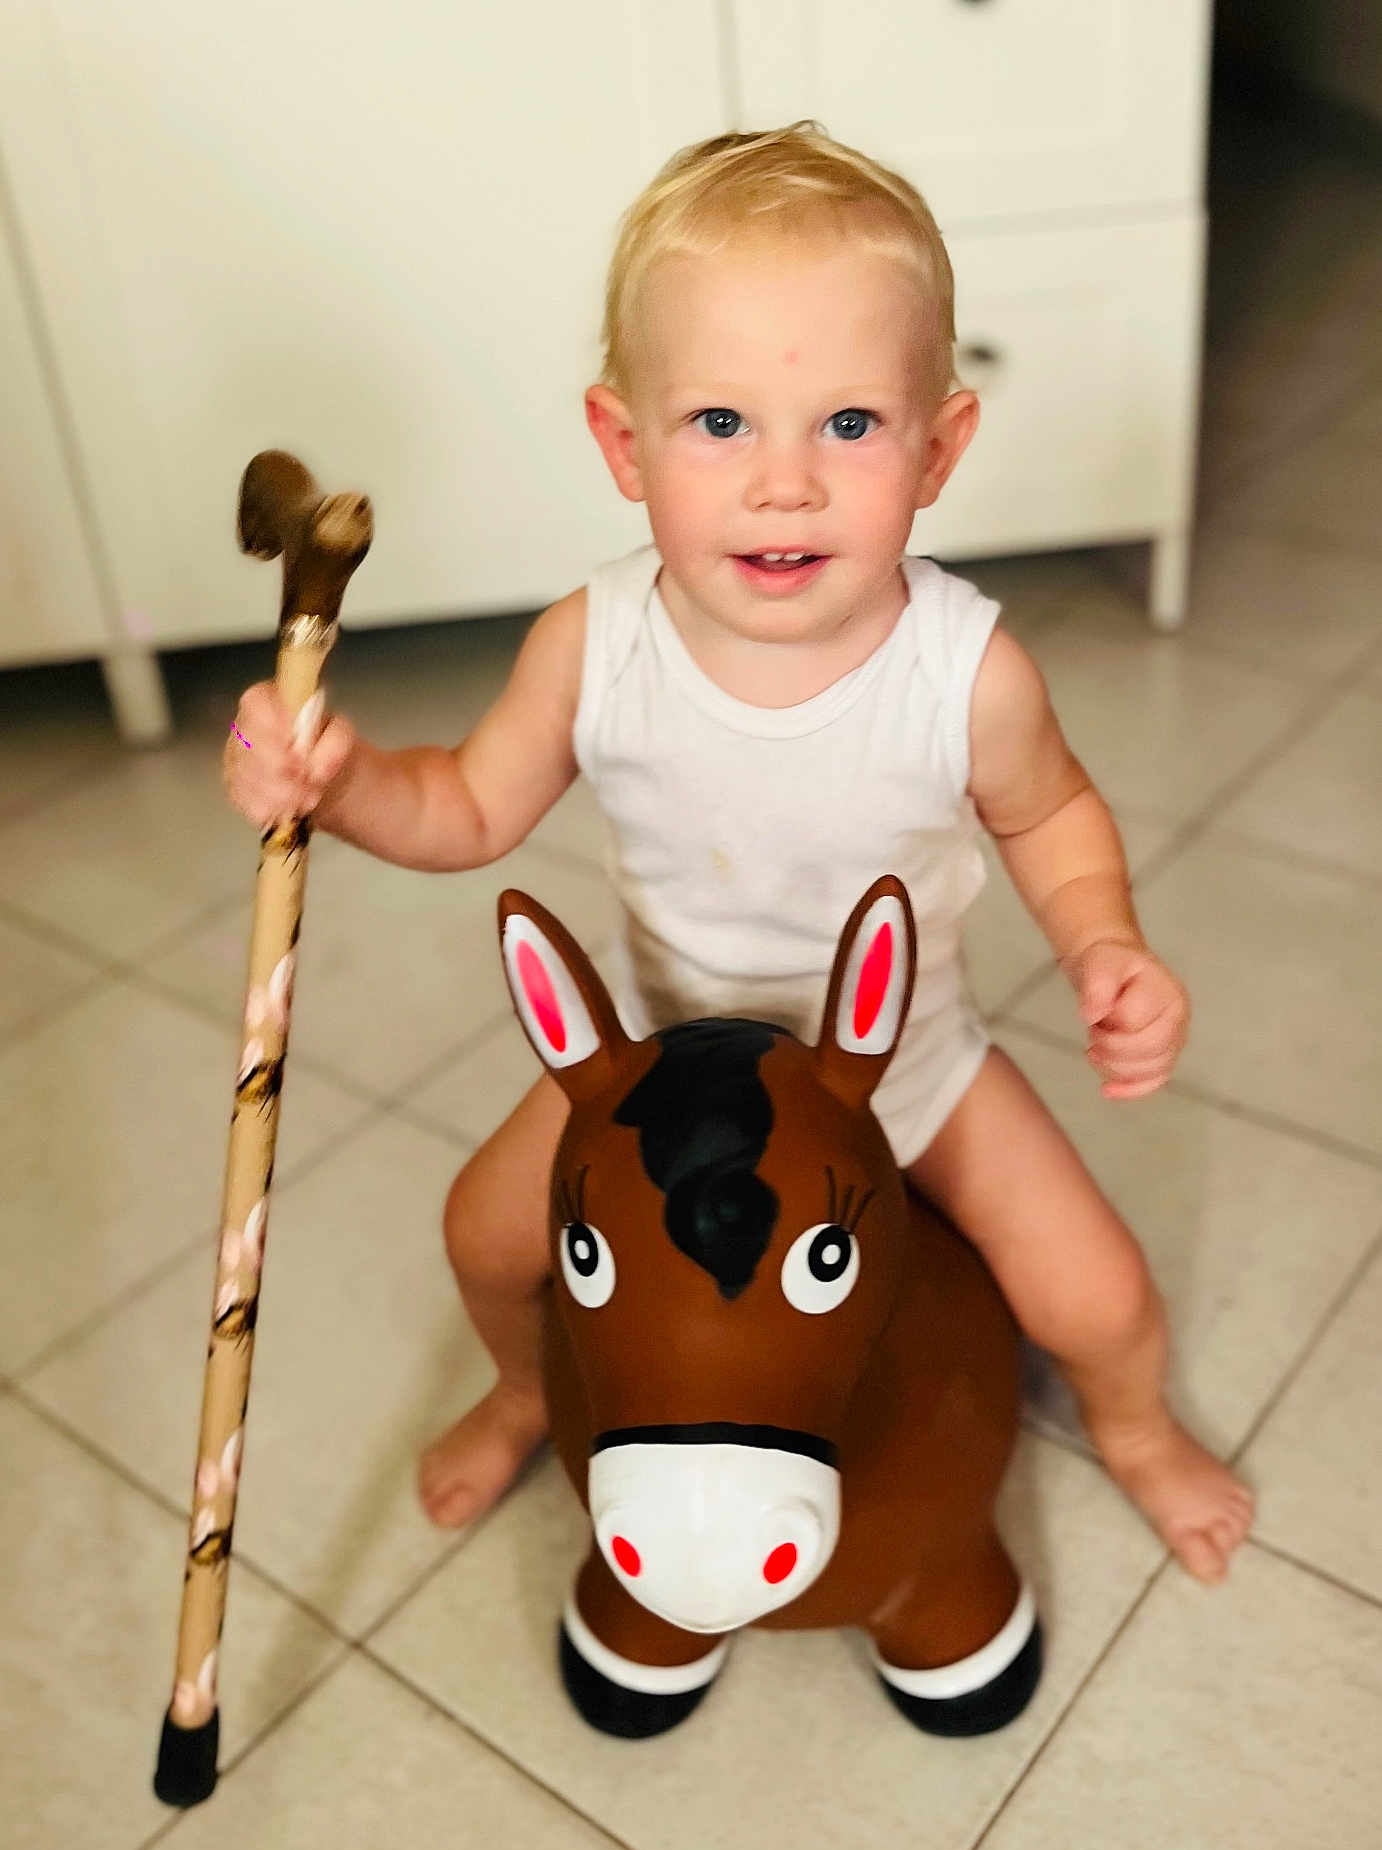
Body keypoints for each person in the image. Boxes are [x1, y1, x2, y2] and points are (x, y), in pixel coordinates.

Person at [223, 122, 1254, 1583]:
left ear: (940, 446)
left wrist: (1103, 942)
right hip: (650, 1066)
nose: (784, 484)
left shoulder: (964, 671)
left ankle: (1139, 1431)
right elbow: (461, 808)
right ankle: (530, 1389)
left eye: (847, 425)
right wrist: (339, 783)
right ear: (621, 445)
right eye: (720, 425)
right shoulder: (595, 646)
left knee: (1090, 1291)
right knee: (483, 1234)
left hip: (911, 1066)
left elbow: (1050, 815)